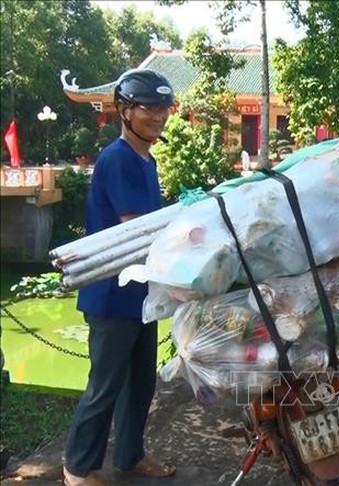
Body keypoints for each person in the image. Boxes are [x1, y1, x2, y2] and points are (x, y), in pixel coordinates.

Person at [63, 69, 177, 486]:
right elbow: (138, 226)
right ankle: (77, 468)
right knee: (105, 387)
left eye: (164, 108)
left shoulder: (147, 160)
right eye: (149, 108)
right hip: (111, 296)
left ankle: (130, 456)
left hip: (140, 296)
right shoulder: (117, 159)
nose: (159, 116)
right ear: (125, 111)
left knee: (141, 384)